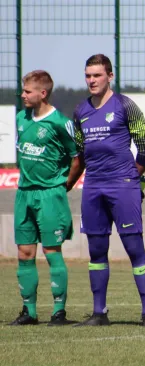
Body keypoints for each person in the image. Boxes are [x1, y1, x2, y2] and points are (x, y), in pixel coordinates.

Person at [71, 54, 145, 327]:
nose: (91, 80)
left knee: (134, 248)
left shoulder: (126, 106)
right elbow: (81, 153)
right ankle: (99, 313)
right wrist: (69, 183)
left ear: (110, 76)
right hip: (93, 187)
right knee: (96, 250)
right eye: (88, 75)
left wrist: (131, 179)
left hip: (123, 186)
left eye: (97, 75)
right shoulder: (79, 111)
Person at [10, 70, 78, 326]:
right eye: (23, 90)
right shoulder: (20, 118)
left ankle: (58, 312)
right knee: (25, 253)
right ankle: (29, 312)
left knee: (51, 251)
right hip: (24, 194)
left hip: (50, 195)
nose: (23, 95)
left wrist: (65, 183)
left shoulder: (60, 122)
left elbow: (76, 156)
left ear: (43, 93)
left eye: (27, 91)